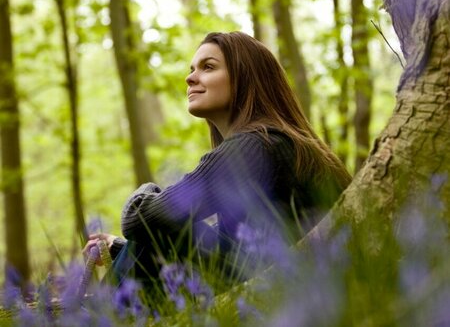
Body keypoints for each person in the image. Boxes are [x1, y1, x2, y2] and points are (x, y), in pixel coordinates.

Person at [83, 31, 351, 295]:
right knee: (150, 238)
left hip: (293, 302)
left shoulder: (254, 147)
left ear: (246, 78)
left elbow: (140, 219)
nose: (190, 78)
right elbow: (222, 252)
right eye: (192, 69)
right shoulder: (278, 143)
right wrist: (120, 246)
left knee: (151, 230)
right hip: (292, 287)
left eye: (208, 67)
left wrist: (145, 191)